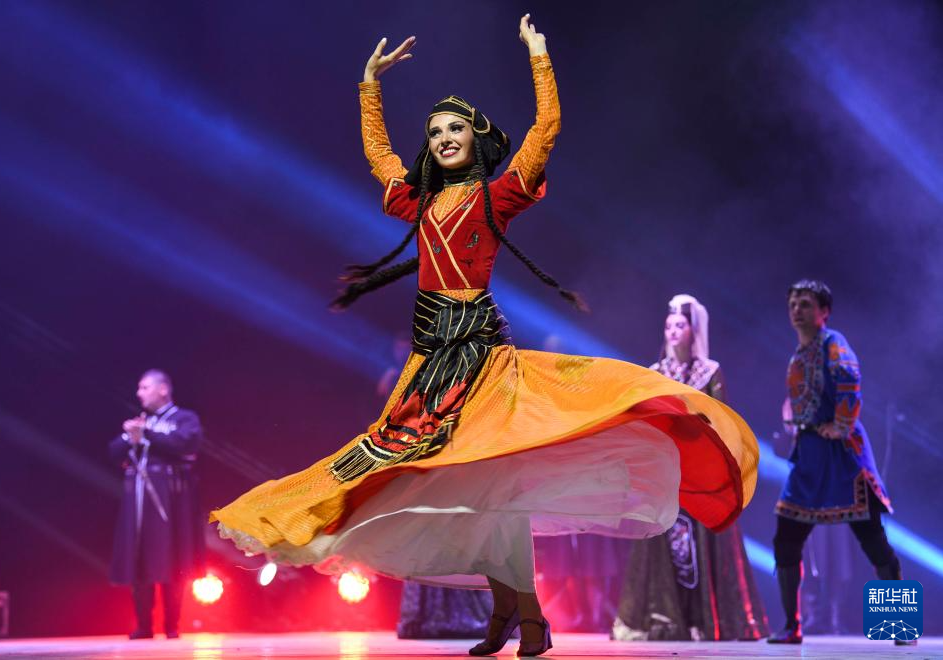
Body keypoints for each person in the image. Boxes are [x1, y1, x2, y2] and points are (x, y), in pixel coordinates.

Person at [212, 16, 758, 657]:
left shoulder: (496, 198)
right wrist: (369, 86)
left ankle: (523, 616)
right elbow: (381, 159)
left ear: (476, 139)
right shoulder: (418, 202)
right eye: (436, 131)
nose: (445, 138)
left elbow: (545, 131)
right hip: (428, 367)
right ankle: (514, 613)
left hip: (481, 363)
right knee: (455, 485)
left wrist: (539, 56)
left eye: (456, 129)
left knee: (491, 486)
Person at [612, 295, 768, 641]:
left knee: (703, 542)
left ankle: (702, 619)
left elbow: (722, 422)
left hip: (701, 473)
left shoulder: (709, 372)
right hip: (666, 473)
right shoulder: (656, 373)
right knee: (664, 541)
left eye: (680, 325)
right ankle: (666, 618)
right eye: (668, 325)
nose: (672, 331)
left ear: (693, 330)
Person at [768, 280, 908, 645]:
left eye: (805, 303)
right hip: (809, 459)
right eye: (793, 303)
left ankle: (900, 625)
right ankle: (791, 626)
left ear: (824, 311)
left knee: (872, 538)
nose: (797, 310)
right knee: (786, 536)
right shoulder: (798, 356)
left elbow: (849, 378)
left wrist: (842, 424)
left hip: (842, 455)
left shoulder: (834, 343)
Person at [109, 370, 205, 640]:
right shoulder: (141, 423)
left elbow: (186, 442)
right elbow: (113, 451)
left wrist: (147, 434)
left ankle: (172, 625)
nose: (139, 393)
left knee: (172, 554)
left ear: (163, 389)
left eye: (145, 387)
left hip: (172, 496)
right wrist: (130, 437)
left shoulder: (183, 418)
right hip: (140, 499)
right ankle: (144, 626)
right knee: (140, 556)